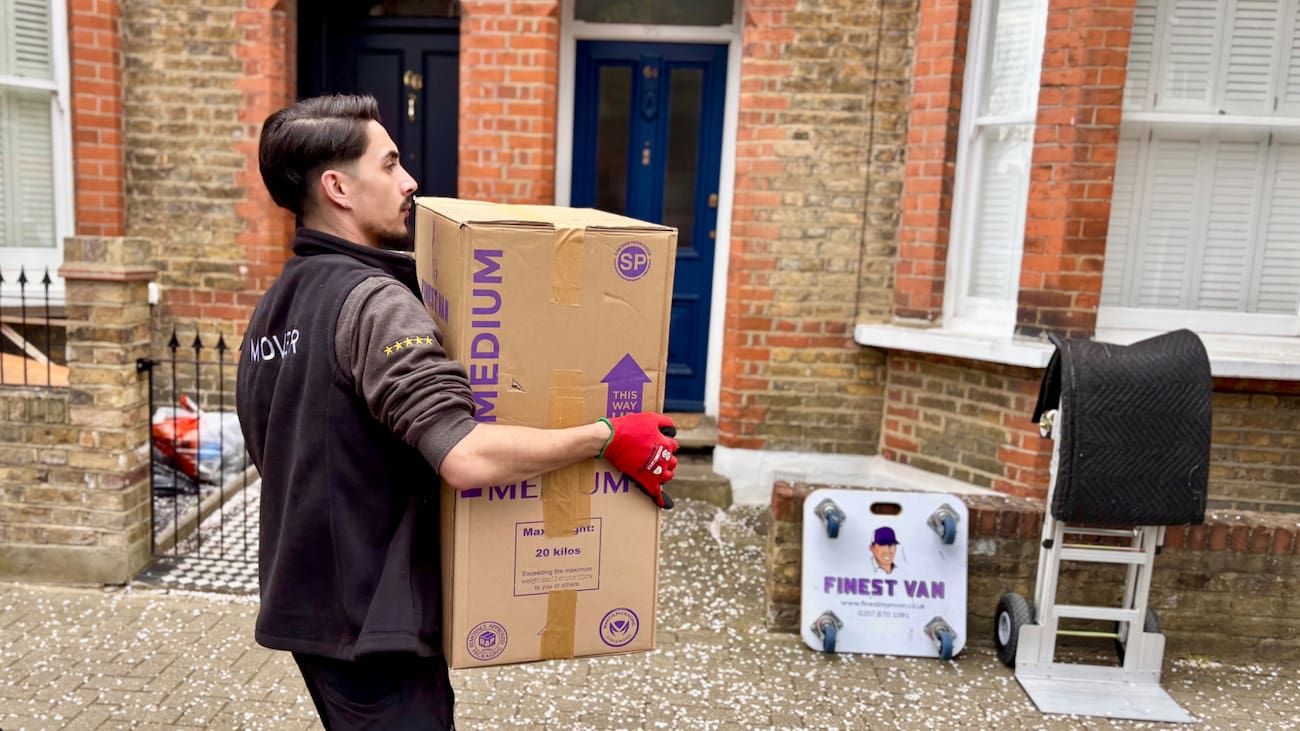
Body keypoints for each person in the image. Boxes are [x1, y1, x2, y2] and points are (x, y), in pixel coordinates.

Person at [235, 94, 678, 730]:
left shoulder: (275, 306)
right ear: (338, 187)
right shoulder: (374, 303)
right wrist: (607, 436)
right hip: (370, 623)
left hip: (312, 610)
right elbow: (465, 457)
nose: (409, 181)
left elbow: (274, 445)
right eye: (388, 165)